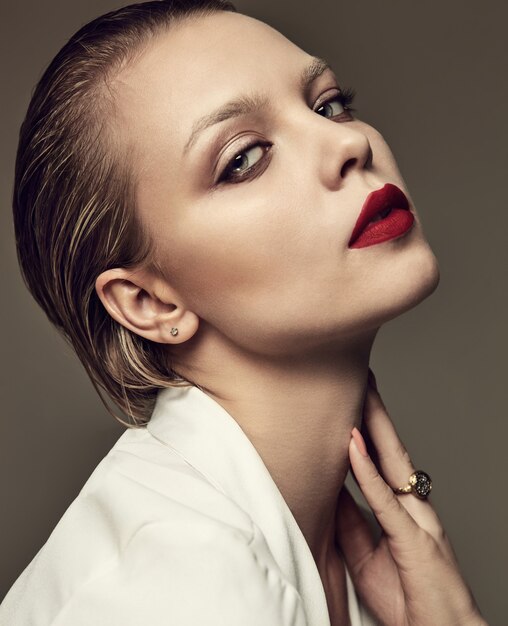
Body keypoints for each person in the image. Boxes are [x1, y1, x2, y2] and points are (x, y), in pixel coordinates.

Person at [0, 1, 487, 624]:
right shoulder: (171, 582)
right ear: (150, 302)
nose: (348, 142)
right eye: (244, 158)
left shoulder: (338, 567)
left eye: (328, 103)